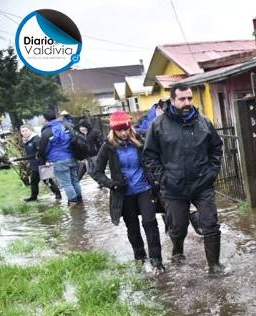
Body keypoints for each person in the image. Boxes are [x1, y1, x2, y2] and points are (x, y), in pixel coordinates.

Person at [143, 84, 223, 273]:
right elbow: (149, 157)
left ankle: (214, 265)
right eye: (182, 99)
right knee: (178, 227)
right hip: (173, 187)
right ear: (172, 100)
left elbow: (216, 149)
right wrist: (163, 179)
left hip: (202, 184)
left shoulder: (203, 122)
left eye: (189, 98)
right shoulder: (158, 125)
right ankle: (177, 250)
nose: (187, 103)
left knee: (210, 223)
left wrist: (211, 173)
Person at [92, 111, 164, 273]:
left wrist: (157, 178)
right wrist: (113, 184)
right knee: (132, 227)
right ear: (113, 130)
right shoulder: (108, 147)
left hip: (144, 189)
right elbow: (97, 172)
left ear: (130, 128)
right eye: (119, 130)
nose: (123, 133)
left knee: (149, 222)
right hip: (124, 194)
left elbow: (154, 159)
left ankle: (157, 261)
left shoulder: (140, 141)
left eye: (126, 129)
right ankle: (140, 258)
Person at [38, 109, 83, 207]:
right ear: (56, 116)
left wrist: (44, 159)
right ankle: (80, 200)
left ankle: (73, 201)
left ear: (45, 119)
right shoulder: (66, 126)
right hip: (71, 157)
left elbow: (42, 149)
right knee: (75, 180)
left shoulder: (46, 132)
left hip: (58, 161)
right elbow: (75, 139)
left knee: (66, 183)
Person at [13, 125, 62, 202]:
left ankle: (58, 195)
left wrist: (47, 161)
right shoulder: (27, 140)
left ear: (30, 130)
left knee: (48, 181)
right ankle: (33, 197)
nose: (24, 132)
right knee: (34, 182)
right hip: (35, 166)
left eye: (26, 130)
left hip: (42, 164)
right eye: (22, 131)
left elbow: (41, 152)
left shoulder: (36, 139)